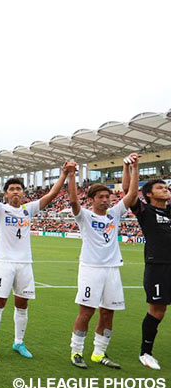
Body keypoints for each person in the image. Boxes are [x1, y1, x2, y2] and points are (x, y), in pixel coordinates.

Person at [0, 162, 74, 361]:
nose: (16, 192)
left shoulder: (28, 209)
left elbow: (51, 195)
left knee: (22, 304)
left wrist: (64, 174)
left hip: (25, 264)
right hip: (4, 263)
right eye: (12, 189)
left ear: (24, 193)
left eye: (19, 189)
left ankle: (19, 342)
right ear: (5, 194)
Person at [67, 154, 139, 369]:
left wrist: (135, 167)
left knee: (108, 312)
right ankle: (76, 351)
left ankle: (99, 352)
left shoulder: (114, 214)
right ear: (92, 199)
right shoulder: (85, 216)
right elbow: (72, 201)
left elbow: (133, 193)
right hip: (91, 269)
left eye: (107, 196)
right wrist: (71, 175)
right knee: (86, 312)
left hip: (112, 269)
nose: (106, 200)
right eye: (101, 197)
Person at [124, 162, 170, 370]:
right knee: (157, 310)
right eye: (160, 188)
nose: (166, 189)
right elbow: (128, 192)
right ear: (149, 194)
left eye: (167, 187)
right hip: (158, 267)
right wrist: (132, 168)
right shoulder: (145, 211)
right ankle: (146, 352)